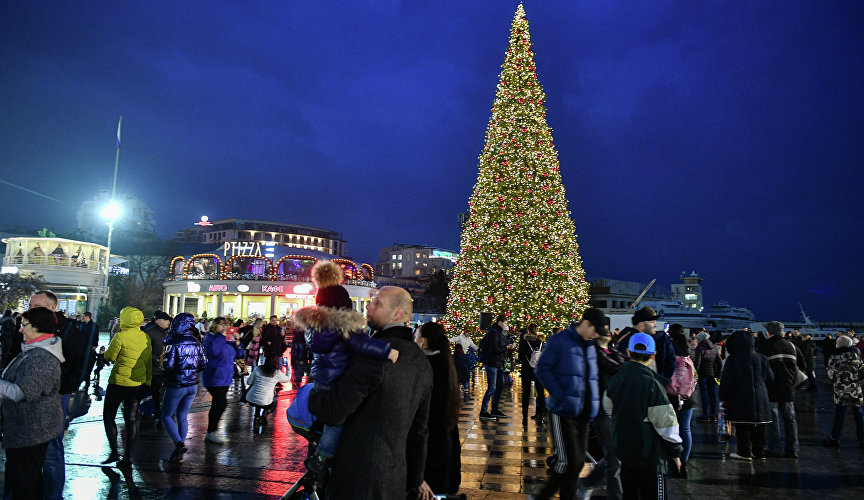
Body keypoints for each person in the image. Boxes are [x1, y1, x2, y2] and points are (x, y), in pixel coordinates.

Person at [307, 286, 433, 500]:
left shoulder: (376, 354)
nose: (369, 306)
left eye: (378, 302)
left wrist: (312, 395)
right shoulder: (422, 361)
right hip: (393, 480)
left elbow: (333, 411)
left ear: (398, 313)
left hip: (355, 478)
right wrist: (416, 478)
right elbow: (419, 431)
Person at [294, 260, 397, 476]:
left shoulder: (316, 326)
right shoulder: (341, 325)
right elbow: (361, 343)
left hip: (322, 377)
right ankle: (322, 458)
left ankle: (317, 449)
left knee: (328, 418)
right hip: (337, 378)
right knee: (337, 421)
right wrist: (388, 351)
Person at [532, 308, 603, 500]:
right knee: (568, 463)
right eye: (595, 331)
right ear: (586, 324)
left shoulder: (590, 345)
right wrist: (561, 395)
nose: (596, 336)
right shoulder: (560, 341)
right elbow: (543, 370)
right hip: (563, 411)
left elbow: (592, 377)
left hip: (584, 414)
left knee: (577, 463)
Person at [603, 332, 682, 499]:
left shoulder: (617, 379)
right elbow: (666, 425)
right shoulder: (653, 384)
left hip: (625, 453)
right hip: (651, 457)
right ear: (653, 355)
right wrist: (676, 452)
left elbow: (607, 408)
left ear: (629, 353)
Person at [29, 291, 89, 499]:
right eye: (30, 305)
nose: (32, 308)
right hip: (24, 396)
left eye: (37, 305)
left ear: (53, 307)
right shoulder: (25, 326)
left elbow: (80, 360)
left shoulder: (68, 330)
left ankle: (53, 494)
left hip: (54, 396)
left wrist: (64, 386)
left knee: (51, 449)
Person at [0, 307, 64, 499]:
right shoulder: (33, 351)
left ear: (38, 327)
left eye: (24, 325)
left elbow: (22, 392)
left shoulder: (41, 357)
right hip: (24, 430)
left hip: (31, 431)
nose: (20, 329)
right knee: (22, 478)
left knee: (25, 481)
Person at [579, 319, 625, 499]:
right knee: (613, 455)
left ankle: (588, 482)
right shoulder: (594, 351)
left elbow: (621, 361)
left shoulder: (611, 350)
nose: (606, 333)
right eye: (603, 330)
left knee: (614, 455)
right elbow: (615, 365)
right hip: (599, 408)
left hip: (611, 407)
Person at [102, 306, 152, 467]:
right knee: (131, 419)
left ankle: (114, 451)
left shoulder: (120, 336)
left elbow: (110, 356)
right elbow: (147, 361)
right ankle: (128, 456)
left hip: (118, 382)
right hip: (137, 383)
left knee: (109, 415)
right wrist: (148, 381)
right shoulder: (145, 337)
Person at [416, 322, 462, 495]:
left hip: (431, 450)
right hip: (446, 444)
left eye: (417, 335)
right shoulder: (446, 363)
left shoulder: (425, 366)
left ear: (423, 341)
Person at [719, 330, 773, 461]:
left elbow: (726, 381)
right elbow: (770, 378)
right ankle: (759, 452)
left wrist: (723, 396)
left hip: (740, 396)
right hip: (761, 396)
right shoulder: (762, 358)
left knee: (743, 426)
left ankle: (744, 452)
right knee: (760, 425)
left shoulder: (733, 359)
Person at [161, 313, 207, 462]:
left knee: (167, 415)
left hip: (176, 384)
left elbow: (169, 366)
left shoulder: (175, 343)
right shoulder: (197, 342)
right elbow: (204, 363)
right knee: (182, 416)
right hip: (192, 385)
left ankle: (178, 443)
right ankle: (179, 448)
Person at [757, 321, 805, 459]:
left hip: (771, 388)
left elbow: (760, 368)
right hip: (788, 387)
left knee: (773, 419)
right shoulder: (791, 346)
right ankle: (793, 448)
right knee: (790, 419)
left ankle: (774, 447)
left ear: (769, 333)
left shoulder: (764, 347)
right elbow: (803, 364)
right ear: (782, 332)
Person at [202, 316, 242, 444]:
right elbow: (213, 352)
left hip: (225, 376)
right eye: (221, 324)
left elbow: (239, 354)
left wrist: (237, 342)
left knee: (219, 404)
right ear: (214, 326)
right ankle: (211, 431)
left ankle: (212, 431)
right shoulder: (211, 338)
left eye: (226, 324)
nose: (224, 327)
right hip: (214, 376)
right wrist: (222, 336)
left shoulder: (226, 340)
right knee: (220, 403)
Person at [822, 335, 864, 447]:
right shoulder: (857, 356)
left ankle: (835, 438)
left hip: (841, 390)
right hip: (855, 389)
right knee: (859, 415)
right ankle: (862, 438)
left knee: (840, 415)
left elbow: (831, 377)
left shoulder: (835, 357)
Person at [667, 324, 695, 478]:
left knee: (670, 428)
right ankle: (684, 463)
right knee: (686, 429)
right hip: (687, 395)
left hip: (671, 394)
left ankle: (673, 460)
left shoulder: (669, 347)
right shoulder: (689, 349)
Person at [478, 315, 516, 421]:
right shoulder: (493, 332)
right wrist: (507, 347)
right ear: (499, 322)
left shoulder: (500, 332)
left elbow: (504, 342)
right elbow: (494, 348)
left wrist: (511, 345)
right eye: (505, 323)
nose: (506, 325)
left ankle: (494, 409)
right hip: (492, 363)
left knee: (500, 386)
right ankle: (483, 412)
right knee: (492, 388)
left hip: (498, 363)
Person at [142, 310, 171, 423]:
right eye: (166, 320)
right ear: (158, 321)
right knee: (155, 391)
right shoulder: (149, 333)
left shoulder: (168, 332)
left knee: (163, 391)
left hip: (165, 368)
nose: (168, 322)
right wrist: (157, 360)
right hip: (154, 369)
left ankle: (161, 412)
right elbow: (146, 351)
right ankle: (155, 412)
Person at [518, 323, 547, 426]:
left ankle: (525, 416)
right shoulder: (541, 342)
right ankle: (542, 416)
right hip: (539, 370)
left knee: (526, 393)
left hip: (526, 370)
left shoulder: (524, 342)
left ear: (528, 330)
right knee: (540, 393)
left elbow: (520, 357)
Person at [694, 331, 720, 422]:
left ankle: (706, 415)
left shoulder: (699, 348)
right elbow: (719, 362)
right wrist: (718, 374)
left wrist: (694, 374)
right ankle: (714, 415)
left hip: (702, 374)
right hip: (712, 374)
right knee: (713, 395)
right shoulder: (714, 348)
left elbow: (697, 362)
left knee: (704, 395)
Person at [79, 312, 100, 391]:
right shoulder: (83, 324)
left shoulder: (93, 326)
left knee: (87, 366)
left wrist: (94, 345)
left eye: (83, 316)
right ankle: (84, 381)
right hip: (83, 347)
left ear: (87, 316)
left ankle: (86, 382)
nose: (82, 317)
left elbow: (96, 336)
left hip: (88, 348)